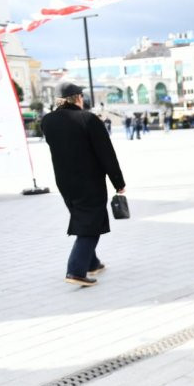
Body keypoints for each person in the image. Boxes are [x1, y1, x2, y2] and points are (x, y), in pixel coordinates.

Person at [41, 82, 126, 287]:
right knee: (91, 224)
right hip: (89, 181)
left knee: (84, 218)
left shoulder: (48, 121)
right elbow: (106, 154)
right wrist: (118, 182)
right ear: (78, 98)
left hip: (65, 182)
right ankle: (76, 271)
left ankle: (92, 263)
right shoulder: (88, 119)